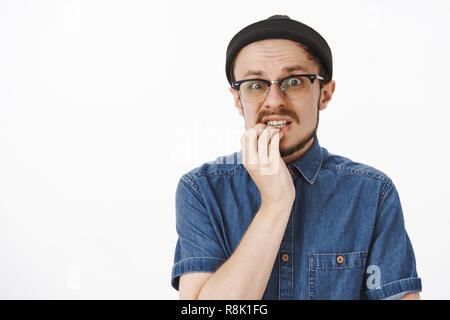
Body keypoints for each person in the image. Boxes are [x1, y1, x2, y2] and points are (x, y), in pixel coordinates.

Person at [171, 15, 422, 300]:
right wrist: (275, 202)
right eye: (255, 84)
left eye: (294, 81)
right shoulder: (202, 190)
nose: (275, 100)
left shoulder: (372, 193)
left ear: (325, 93)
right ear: (238, 99)